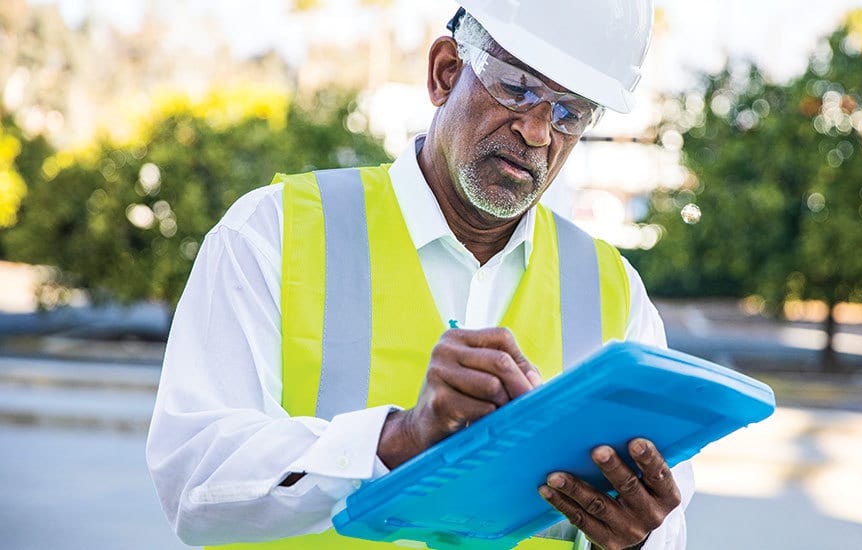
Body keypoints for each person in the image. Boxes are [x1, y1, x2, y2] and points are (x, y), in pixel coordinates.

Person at [147, 1, 694, 549]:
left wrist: (632, 539)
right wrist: (398, 439)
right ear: (445, 72)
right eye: (517, 87)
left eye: (569, 113)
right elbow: (194, 480)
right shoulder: (273, 231)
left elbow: (668, 527)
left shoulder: (614, 291)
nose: (536, 131)